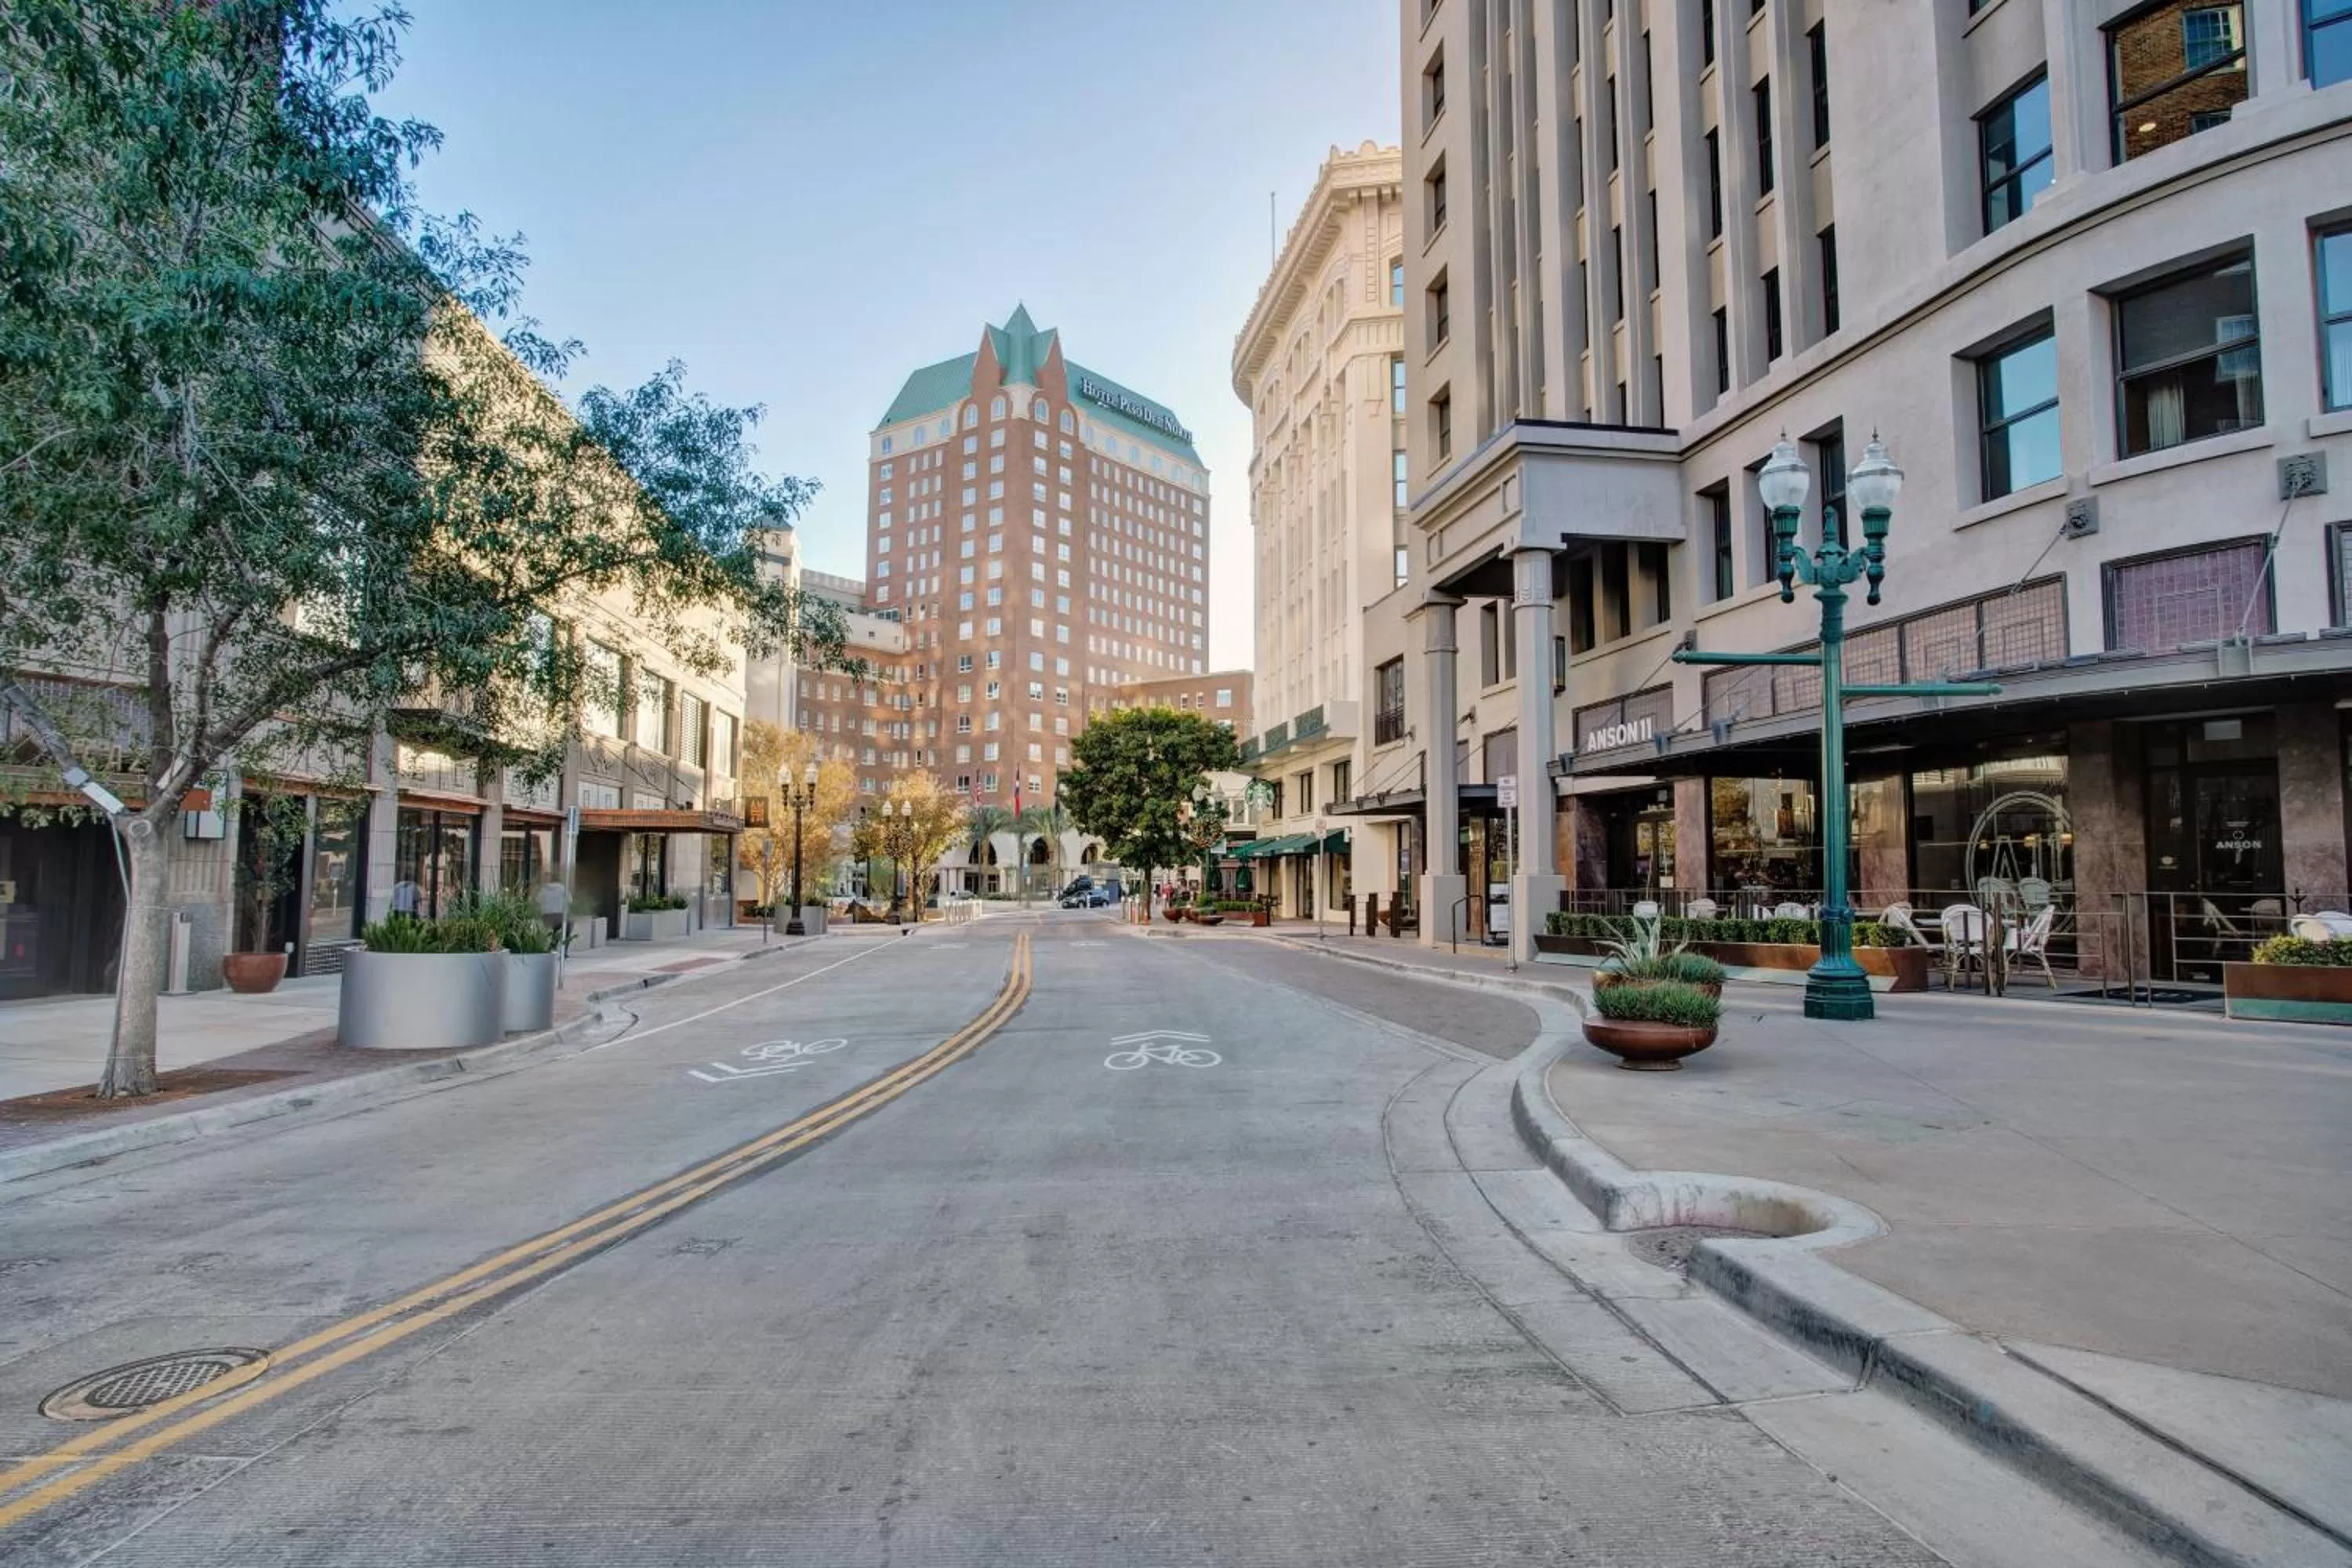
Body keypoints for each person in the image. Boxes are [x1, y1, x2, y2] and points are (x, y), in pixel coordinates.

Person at [538, 878, 569, 948]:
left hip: (546, 916)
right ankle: (563, 949)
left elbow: (538, 901)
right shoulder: (563, 888)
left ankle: (552, 945)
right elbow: (570, 900)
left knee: (556, 927)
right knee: (568, 925)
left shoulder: (544, 889)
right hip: (559, 915)